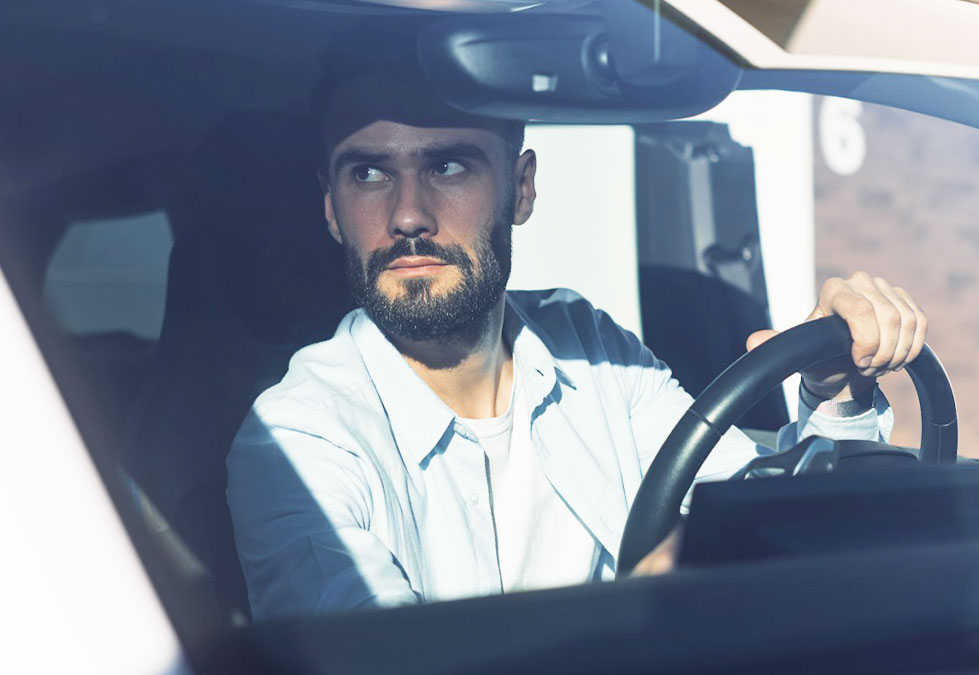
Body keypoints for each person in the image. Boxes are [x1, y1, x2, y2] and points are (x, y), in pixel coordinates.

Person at [226, 43, 927, 622]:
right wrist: (638, 610)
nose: (408, 214)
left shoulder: (593, 352)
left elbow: (779, 533)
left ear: (520, 189)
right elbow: (379, 658)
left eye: (447, 165)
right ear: (330, 207)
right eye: (370, 172)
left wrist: (834, 393)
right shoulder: (295, 437)